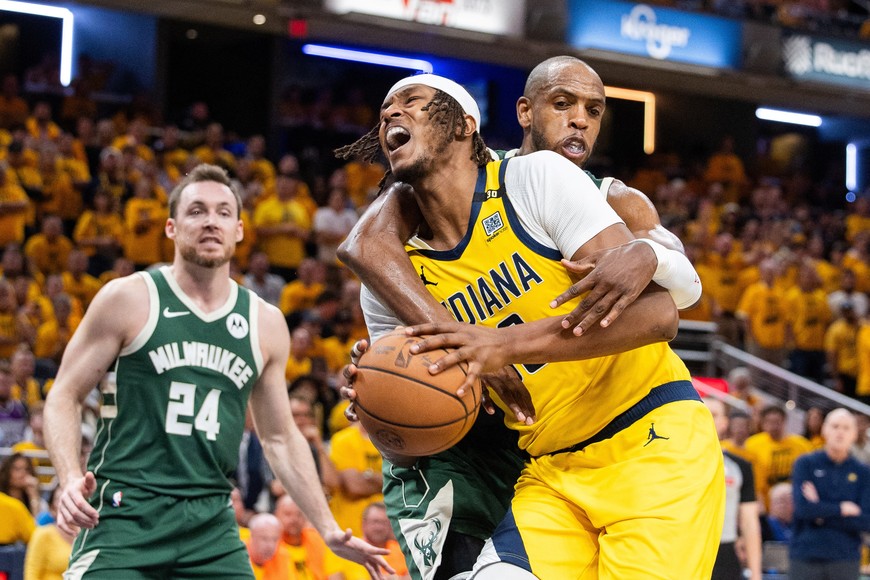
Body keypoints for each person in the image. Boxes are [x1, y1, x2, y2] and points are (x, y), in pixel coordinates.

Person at [339, 72, 722, 579]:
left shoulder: (537, 178)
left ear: (465, 124)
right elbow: (414, 430)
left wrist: (502, 345)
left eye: (413, 100)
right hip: (549, 466)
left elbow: (657, 314)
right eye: (386, 107)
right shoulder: (391, 279)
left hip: (650, 439)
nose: (391, 112)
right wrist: (380, 400)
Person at [43, 164, 392, 578]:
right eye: (197, 211)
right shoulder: (129, 298)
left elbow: (280, 437)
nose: (211, 221)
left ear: (239, 230)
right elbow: (63, 394)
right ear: (171, 227)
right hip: (125, 513)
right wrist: (68, 478)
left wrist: (328, 527)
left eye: (223, 212)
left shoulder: (264, 322)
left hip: (210, 522)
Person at [789, 408, 870, 579]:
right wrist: (842, 508)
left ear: (854, 434)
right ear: (824, 430)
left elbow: (865, 521)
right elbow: (802, 509)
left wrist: (819, 511)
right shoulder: (805, 464)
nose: (840, 432)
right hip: (805, 556)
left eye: (846, 428)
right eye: (835, 426)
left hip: (845, 558)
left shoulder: (863, 472)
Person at [705, 397, 762, 580]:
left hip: (725, 553)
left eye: (714, 414)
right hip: (683, 550)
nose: (707, 417)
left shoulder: (740, 467)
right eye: (702, 412)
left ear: (724, 423)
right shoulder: (673, 462)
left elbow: (750, 522)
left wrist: (756, 574)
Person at [247, 512, 294, 580]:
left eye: (275, 539)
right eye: (264, 539)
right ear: (252, 536)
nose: (270, 545)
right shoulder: (238, 557)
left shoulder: (283, 557)